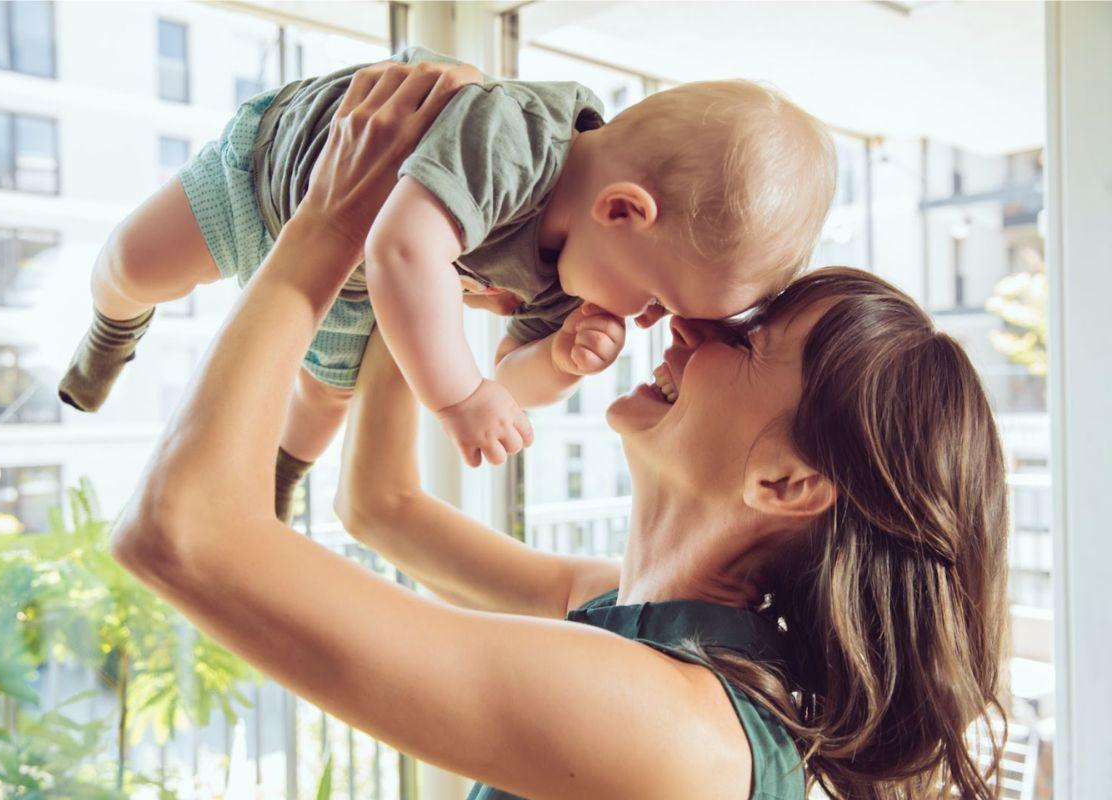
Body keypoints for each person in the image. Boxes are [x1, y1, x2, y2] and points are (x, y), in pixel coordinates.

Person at [111, 65, 1009, 799]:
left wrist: (326, 224)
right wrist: (434, 226)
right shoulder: (643, 625)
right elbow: (380, 506)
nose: (683, 330)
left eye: (746, 339)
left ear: (784, 482)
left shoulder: (673, 725)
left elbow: (181, 534)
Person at [58, 45, 837, 523]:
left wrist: (558, 363)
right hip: (274, 181)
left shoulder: (581, 274)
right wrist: (458, 399)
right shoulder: (517, 138)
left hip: (353, 281)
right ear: (624, 210)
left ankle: (281, 473)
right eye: (657, 299)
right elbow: (404, 248)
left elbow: (507, 377)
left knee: (328, 395)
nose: (641, 322)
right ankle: (112, 329)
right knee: (134, 264)